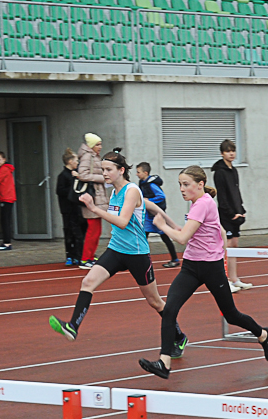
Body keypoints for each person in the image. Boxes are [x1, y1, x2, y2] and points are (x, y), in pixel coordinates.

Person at [138, 166, 268, 378]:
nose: (182, 189)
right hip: (191, 267)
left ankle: (263, 334)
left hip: (211, 268)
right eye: (180, 185)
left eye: (186, 184)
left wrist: (161, 226)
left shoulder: (203, 204)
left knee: (231, 315)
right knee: (170, 309)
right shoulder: (199, 204)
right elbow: (192, 230)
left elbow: (181, 238)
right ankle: (164, 362)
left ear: (200, 184)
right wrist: (165, 219)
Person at [48, 151, 187, 356]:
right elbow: (148, 205)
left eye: (108, 170)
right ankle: (73, 326)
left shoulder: (131, 190)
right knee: (88, 282)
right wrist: (172, 222)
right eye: (102, 169)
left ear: (121, 170)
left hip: (136, 254)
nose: (104, 173)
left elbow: (122, 222)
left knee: (155, 301)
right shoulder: (115, 192)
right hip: (116, 249)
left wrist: (94, 208)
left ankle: (179, 336)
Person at [211, 139, 252, 291]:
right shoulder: (219, 172)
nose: (231, 154)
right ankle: (225, 280)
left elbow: (236, 192)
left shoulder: (233, 170)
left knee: (234, 245)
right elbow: (222, 196)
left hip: (236, 213)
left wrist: (241, 210)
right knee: (226, 247)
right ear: (222, 153)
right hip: (226, 214)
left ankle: (234, 279)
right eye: (228, 151)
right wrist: (230, 213)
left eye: (233, 151)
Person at [137, 162, 179, 268]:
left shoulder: (151, 184)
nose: (137, 174)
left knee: (164, 237)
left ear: (145, 173)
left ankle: (175, 259)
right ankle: (140, 260)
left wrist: (149, 200)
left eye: (138, 172)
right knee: (143, 236)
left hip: (157, 215)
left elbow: (161, 196)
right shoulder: (142, 183)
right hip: (148, 215)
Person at [77, 133, 107, 270]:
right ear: (91, 145)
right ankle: (85, 258)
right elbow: (82, 174)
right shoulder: (88, 156)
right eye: (97, 144)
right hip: (92, 197)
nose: (100, 147)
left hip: (97, 197)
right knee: (92, 231)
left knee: (96, 230)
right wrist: (101, 178)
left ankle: (90, 256)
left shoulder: (93, 156)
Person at [55, 148, 86, 265]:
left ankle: (79, 254)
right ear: (70, 162)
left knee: (79, 231)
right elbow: (60, 191)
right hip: (68, 209)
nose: (77, 163)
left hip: (77, 208)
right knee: (69, 231)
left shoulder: (76, 174)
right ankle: (70, 255)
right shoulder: (63, 176)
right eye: (76, 160)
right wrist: (72, 190)